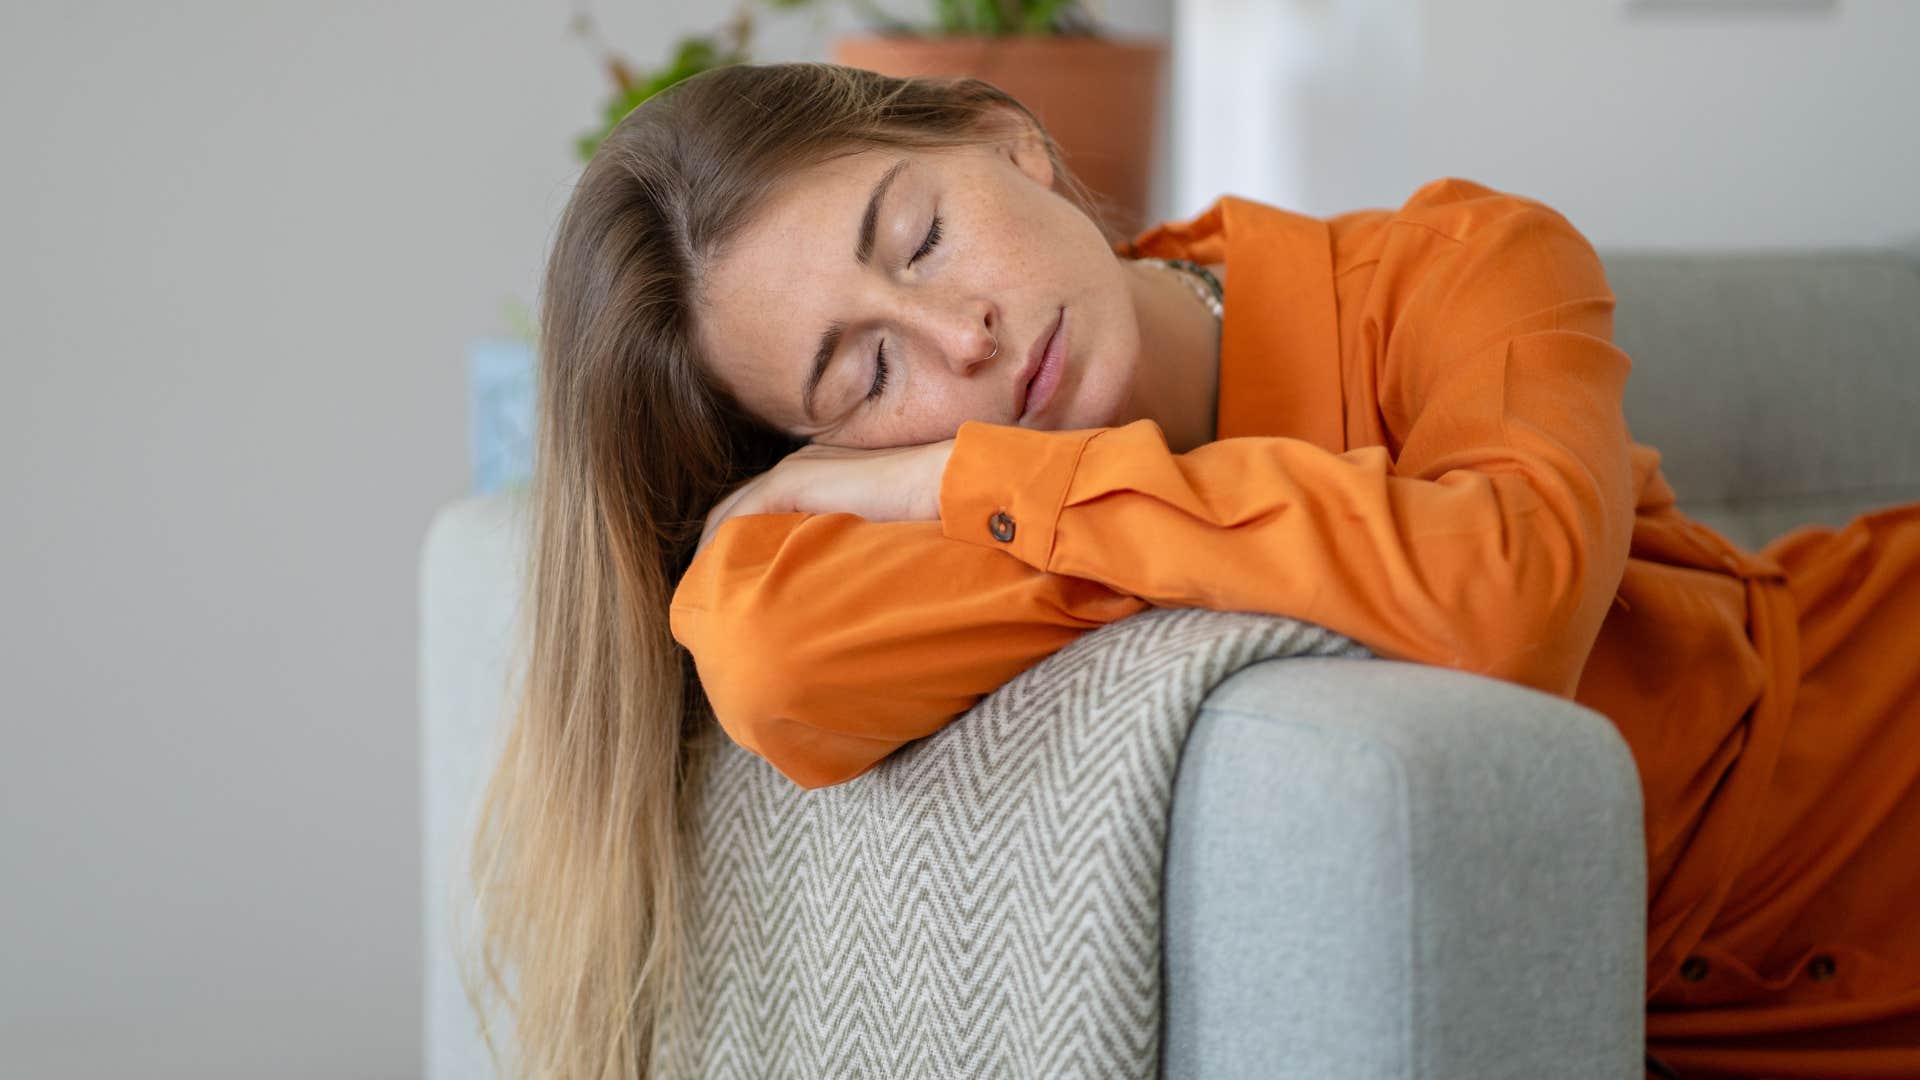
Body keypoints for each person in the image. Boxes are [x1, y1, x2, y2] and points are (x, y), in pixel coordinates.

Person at [463, 60, 1920, 1080]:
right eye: (862, 376)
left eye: (919, 236)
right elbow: (766, 649)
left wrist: (962, 473)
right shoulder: (865, 549)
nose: (958, 337)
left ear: (1007, 140)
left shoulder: (1467, 262)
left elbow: (1508, 607)